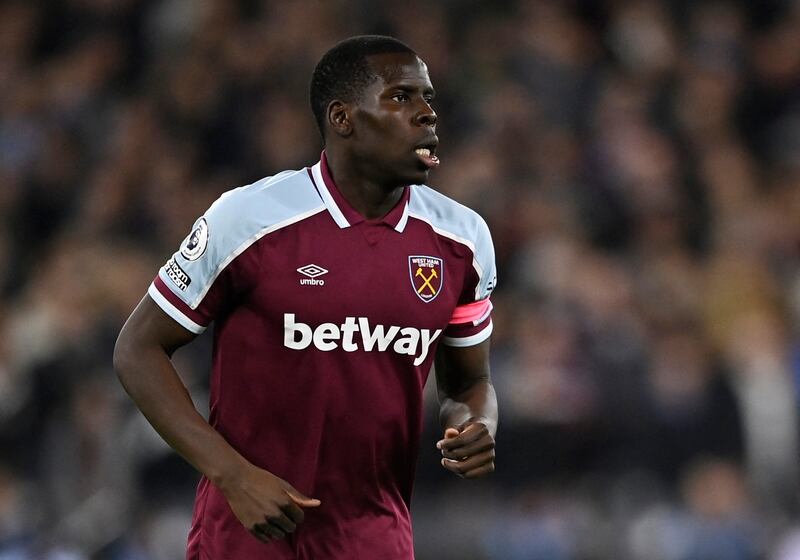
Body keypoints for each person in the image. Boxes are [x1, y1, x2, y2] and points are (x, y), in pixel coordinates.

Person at [114, 35, 498, 559]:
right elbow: (137, 349)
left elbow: (469, 380)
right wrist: (231, 474)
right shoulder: (249, 218)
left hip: (375, 537)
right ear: (343, 119)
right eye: (402, 98)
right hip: (249, 536)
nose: (428, 114)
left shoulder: (463, 240)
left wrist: (474, 423)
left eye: (428, 98)